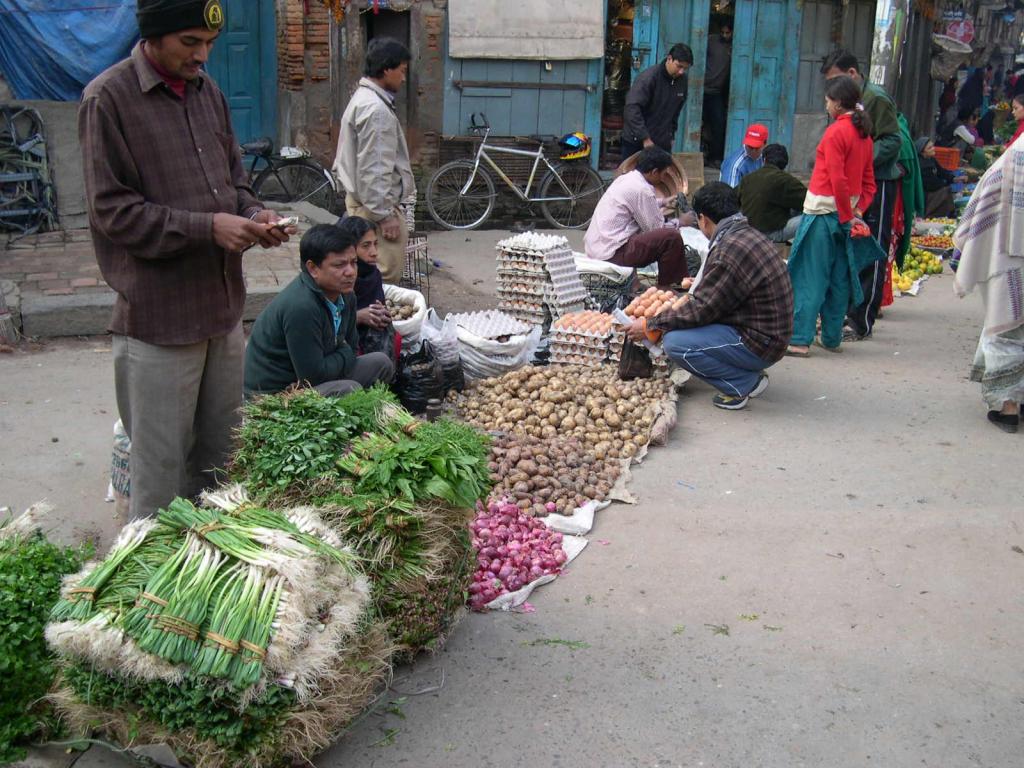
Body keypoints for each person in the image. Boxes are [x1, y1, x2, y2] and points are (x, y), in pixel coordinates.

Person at [79, 0, 293, 520]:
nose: (203, 56)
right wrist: (208, 228)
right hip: (159, 320)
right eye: (190, 43)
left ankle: (209, 576)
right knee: (160, 479)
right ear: (154, 36)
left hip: (220, 315)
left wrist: (255, 213)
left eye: (210, 44)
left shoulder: (208, 93)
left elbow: (234, 180)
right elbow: (114, 213)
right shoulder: (107, 99)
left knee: (220, 465)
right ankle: (151, 588)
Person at [626, 182, 793, 411]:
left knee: (676, 344)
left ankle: (741, 383)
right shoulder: (747, 233)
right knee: (684, 326)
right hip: (770, 335)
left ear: (703, 219)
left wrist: (651, 324)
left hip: (761, 343)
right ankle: (745, 371)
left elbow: (702, 309)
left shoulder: (729, 248)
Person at [786, 75, 880, 357]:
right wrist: (856, 212)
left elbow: (837, 179)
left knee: (809, 276)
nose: (826, 105)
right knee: (839, 278)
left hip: (824, 214)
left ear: (838, 103)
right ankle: (831, 337)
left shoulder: (836, 132)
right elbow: (869, 182)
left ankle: (800, 340)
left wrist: (844, 215)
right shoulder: (863, 134)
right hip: (846, 217)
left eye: (827, 100)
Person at [244, 224, 395, 398]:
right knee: (349, 389)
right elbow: (313, 376)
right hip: (278, 393)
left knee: (381, 363)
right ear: (313, 268)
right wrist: (343, 351)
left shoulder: (346, 295)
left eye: (353, 263)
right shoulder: (302, 306)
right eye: (339, 265)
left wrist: (342, 353)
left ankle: (362, 416)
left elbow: (352, 348)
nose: (350, 272)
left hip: (312, 379)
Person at [820, 49, 902, 342]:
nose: (829, 93)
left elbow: (894, 141)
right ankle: (841, 313)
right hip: (851, 187)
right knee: (846, 249)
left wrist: (859, 161)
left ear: (851, 74)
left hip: (877, 183)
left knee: (871, 249)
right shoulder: (842, 112)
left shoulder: (876, 98)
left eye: (835, 81)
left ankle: (861, 320)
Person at [952, 134, 1024, 433]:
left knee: (1005, 326)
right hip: (1009, 256)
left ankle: (1007, 407)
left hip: (1007, 258)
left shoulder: (1015, 155)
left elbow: (986, 198)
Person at [333, 37, 415, 284]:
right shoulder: (375, 110)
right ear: (386, 69)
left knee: (368, 279)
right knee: (383, 280)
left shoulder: (364, 98)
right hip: (373, 210)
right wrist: (384, 215)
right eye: (401, 71)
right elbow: (375, 168)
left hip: (365, 204)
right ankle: (373, 322)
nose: (403, 78)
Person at [584, 147, 693, 288]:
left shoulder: (627, 178)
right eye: (663, 173)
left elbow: (638, 204)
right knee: (671, 237)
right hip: (611, 253)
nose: (663, 178)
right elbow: (656, 228)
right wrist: (681, 222)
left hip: (597, 247)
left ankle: (637, 283)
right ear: (654, 172)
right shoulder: (642, 190)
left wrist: (664, 201)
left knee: (639, 232)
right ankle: (667, 286)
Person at [338, 215, 397, 360]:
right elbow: (326, 324)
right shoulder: (338, 279)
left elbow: (378, 306)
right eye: (366, 246)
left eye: (375, 244)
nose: (374, 252)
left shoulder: (373, 274)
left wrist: (381, 314)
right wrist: (357, 317)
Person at [621, 43, 694, 159]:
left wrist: (671, 135)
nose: (681, 71)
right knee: (632, 176)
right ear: (669, 59)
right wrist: (645, 138)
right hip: (637, 141)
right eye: (679, 66)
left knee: (661, 175)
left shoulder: (682, 81)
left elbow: (676, 111)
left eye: (685, 68)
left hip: (662, 142)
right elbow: (631, 108)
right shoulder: (649, 78)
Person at [737, 144, 807, 242]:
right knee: (814, 218)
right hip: (770, 234)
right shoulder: (786, 180)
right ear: (785, 164)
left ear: (764, 160)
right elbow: (810, 203)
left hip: (747, 231)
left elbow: (733, 200)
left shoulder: (748, 178)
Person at [702, 21, 732, 167]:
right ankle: (700, 154)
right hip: (701, 90)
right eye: (723, 32)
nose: (725, 36)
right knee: (698, 124)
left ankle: (715, 157)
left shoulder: (735, 46)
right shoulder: (711, 41)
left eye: (728, 33)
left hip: (716, 93)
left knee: (718, 125)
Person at [916, 138, 957, 219]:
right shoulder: (923, 165)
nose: (933, 148)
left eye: (932, 146)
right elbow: (932, 184)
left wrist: (954, 178)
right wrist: (945, 183)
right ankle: (933, 214)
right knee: (946, 191)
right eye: (929, 148)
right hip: (925, 194)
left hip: (933, 187)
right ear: (922, 152)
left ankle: (949, 213)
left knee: (946, 189)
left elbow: (941, 172)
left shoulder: (931, 159)